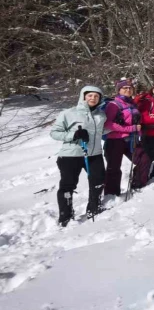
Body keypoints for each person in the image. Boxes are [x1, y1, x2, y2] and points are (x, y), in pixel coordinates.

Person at [50, 86, 107, 226]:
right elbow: (54, 132)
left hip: (94, 154)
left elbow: (103, 131)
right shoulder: (69, 113)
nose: (93, 98)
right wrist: (74, 135)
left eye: (96, 96)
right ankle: (66, 215)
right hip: (71, 155)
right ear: (83, 96)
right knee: (67, 185)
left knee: (98, 180)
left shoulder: (101, 115)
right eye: (90, 95)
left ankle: (94, 208)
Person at [103, 79, 141, 197]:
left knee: (142, 160)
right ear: (119, 90)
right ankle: (111, 194)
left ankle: (137, 183)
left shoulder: (132, 103)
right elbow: (108, 124)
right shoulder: (113, 104)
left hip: (131, 140)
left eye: (130, 88)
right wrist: (131, 129)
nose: (128, 90)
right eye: (125, 88)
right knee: (114, 168)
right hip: (115, 140)